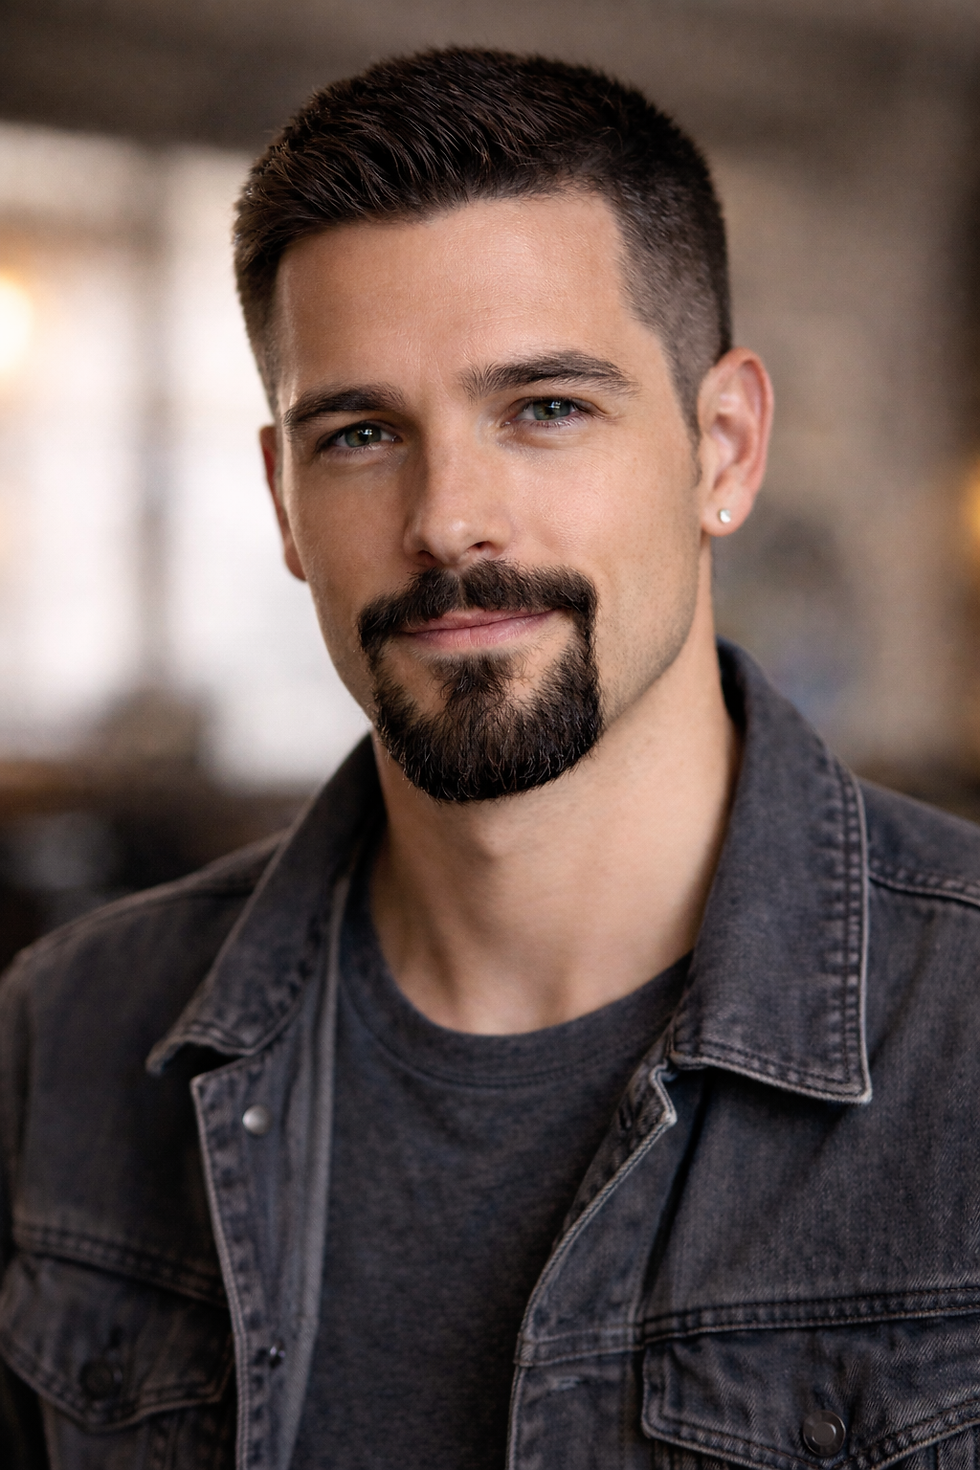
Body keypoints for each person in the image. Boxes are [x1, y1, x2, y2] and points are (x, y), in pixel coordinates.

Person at [3, 45, 980, 1470]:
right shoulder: (67, 1042)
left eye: (545, 409)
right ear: (283, 498)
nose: (450, 518)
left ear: (723, 448)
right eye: (360, 433)